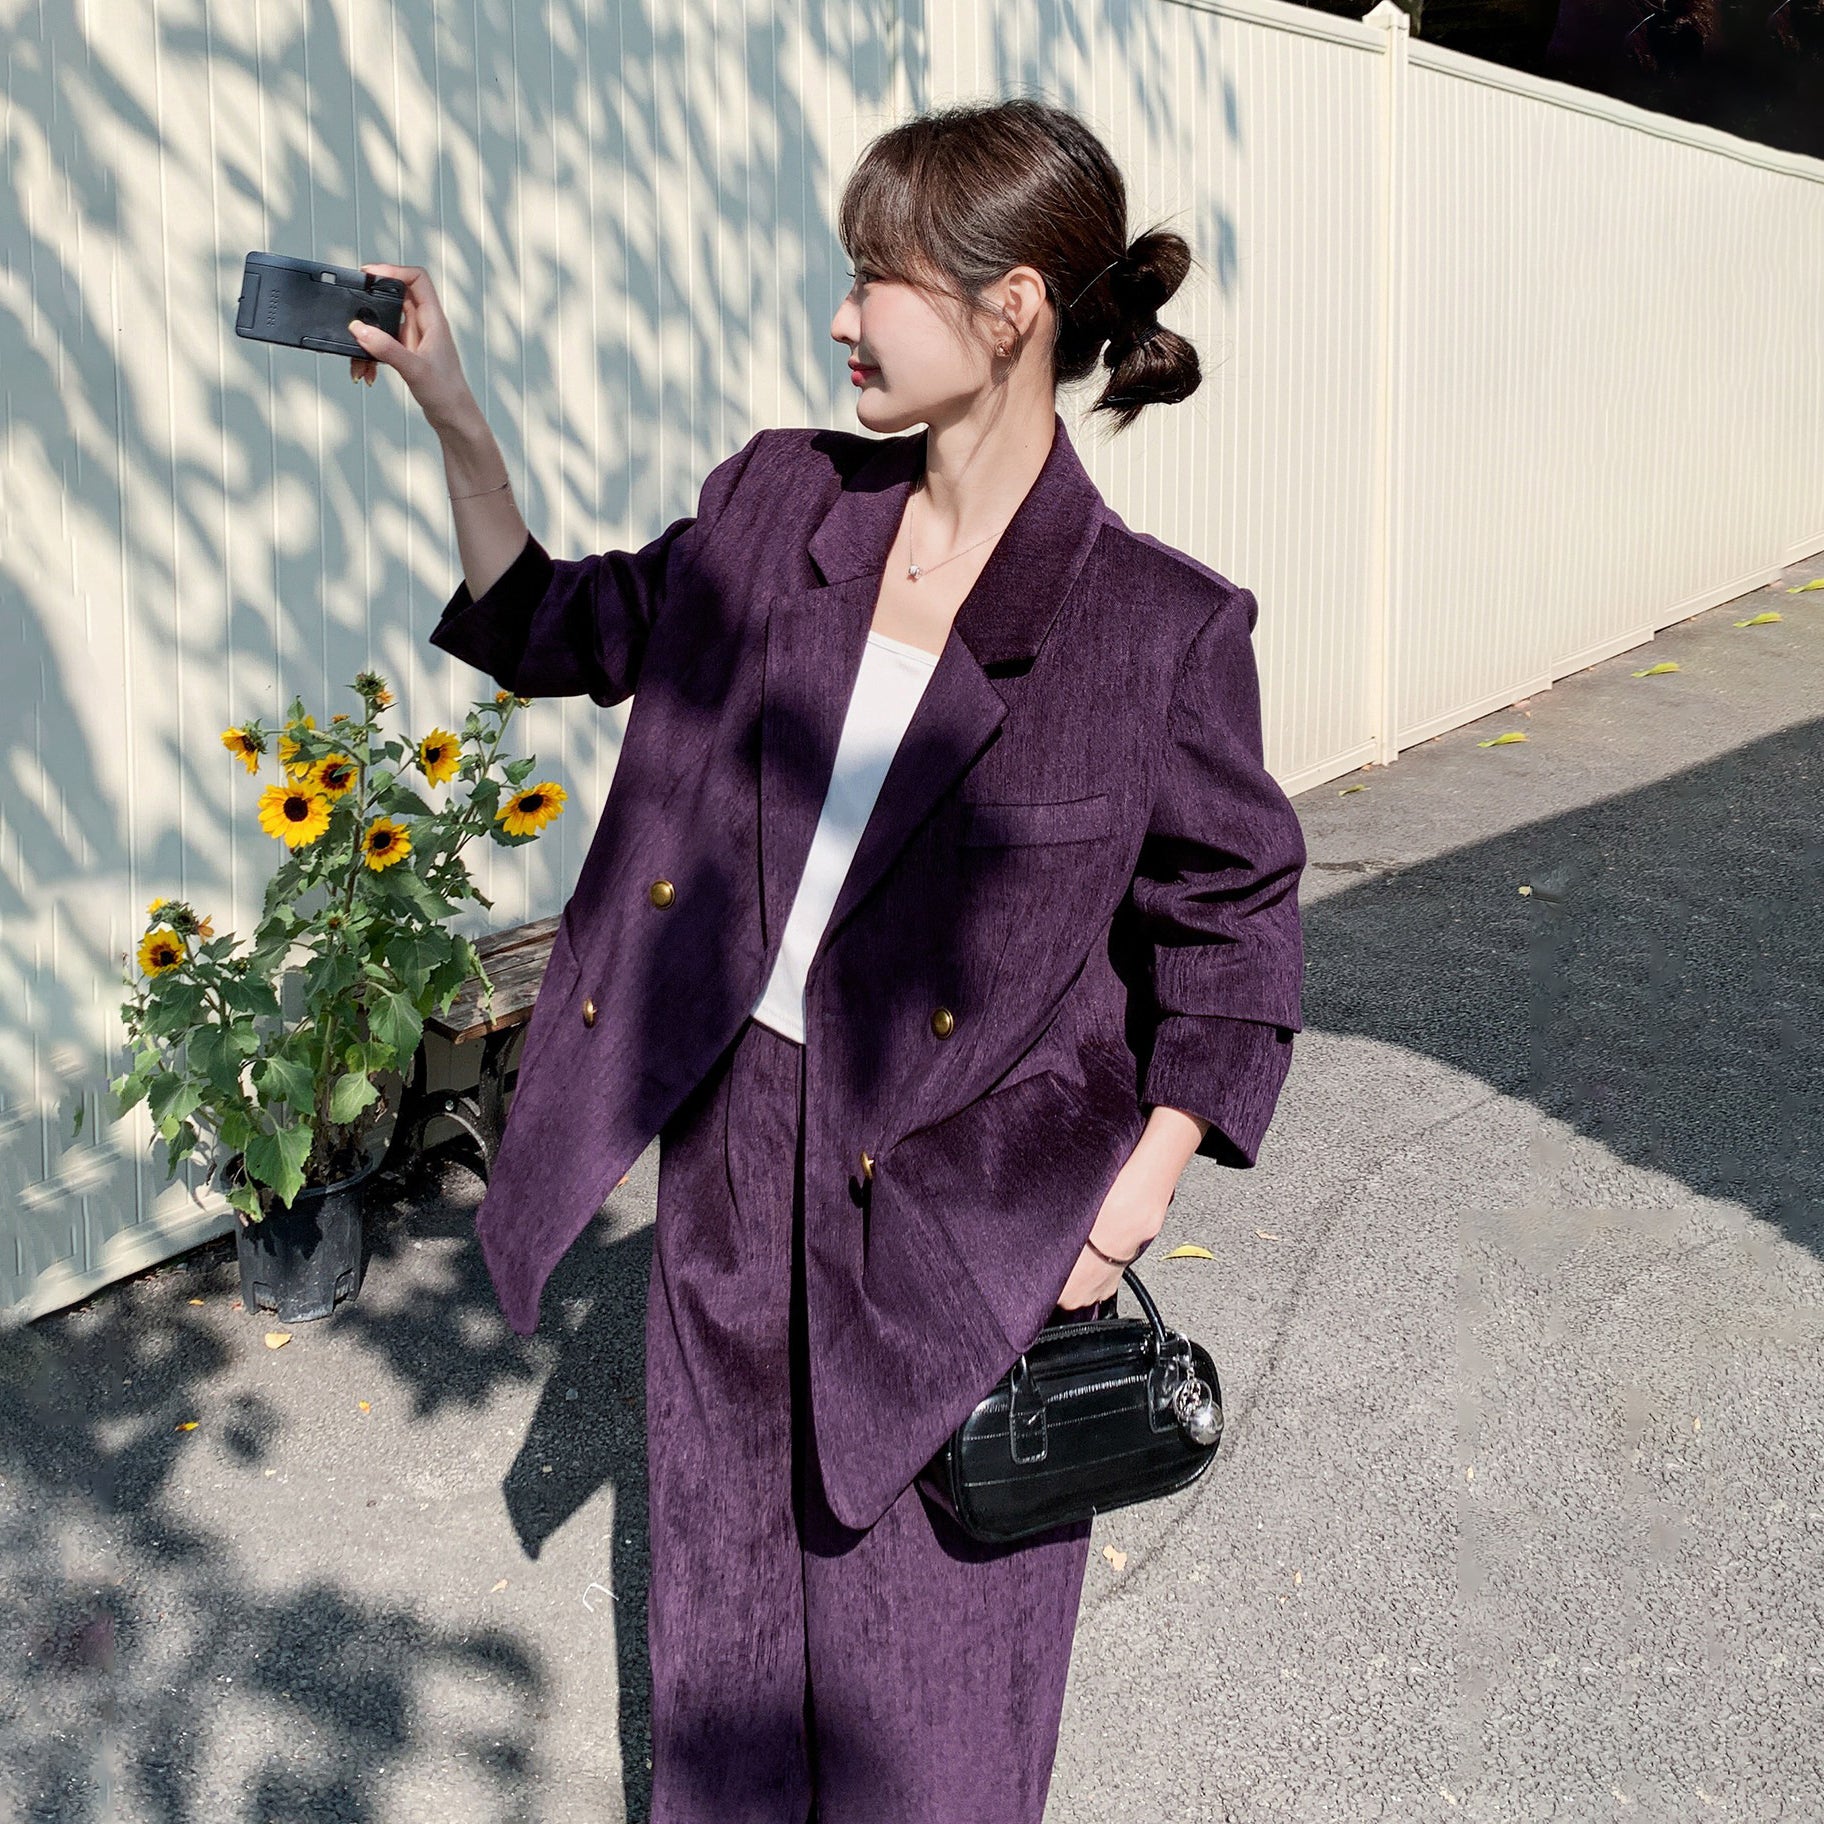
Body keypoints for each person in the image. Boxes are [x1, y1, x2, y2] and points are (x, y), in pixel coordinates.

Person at [349, 94, 1305, 1824]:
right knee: (725, 1653)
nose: (842, 314)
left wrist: (1125, 1204)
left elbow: (1234, 924)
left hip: (972, 1204)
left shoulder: (1153, 626)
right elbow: (560, 623)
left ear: (1010, 309)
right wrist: (455, 415)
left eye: (880, 278)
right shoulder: (781, 503)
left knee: (931, 1706)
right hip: (735, 1153)